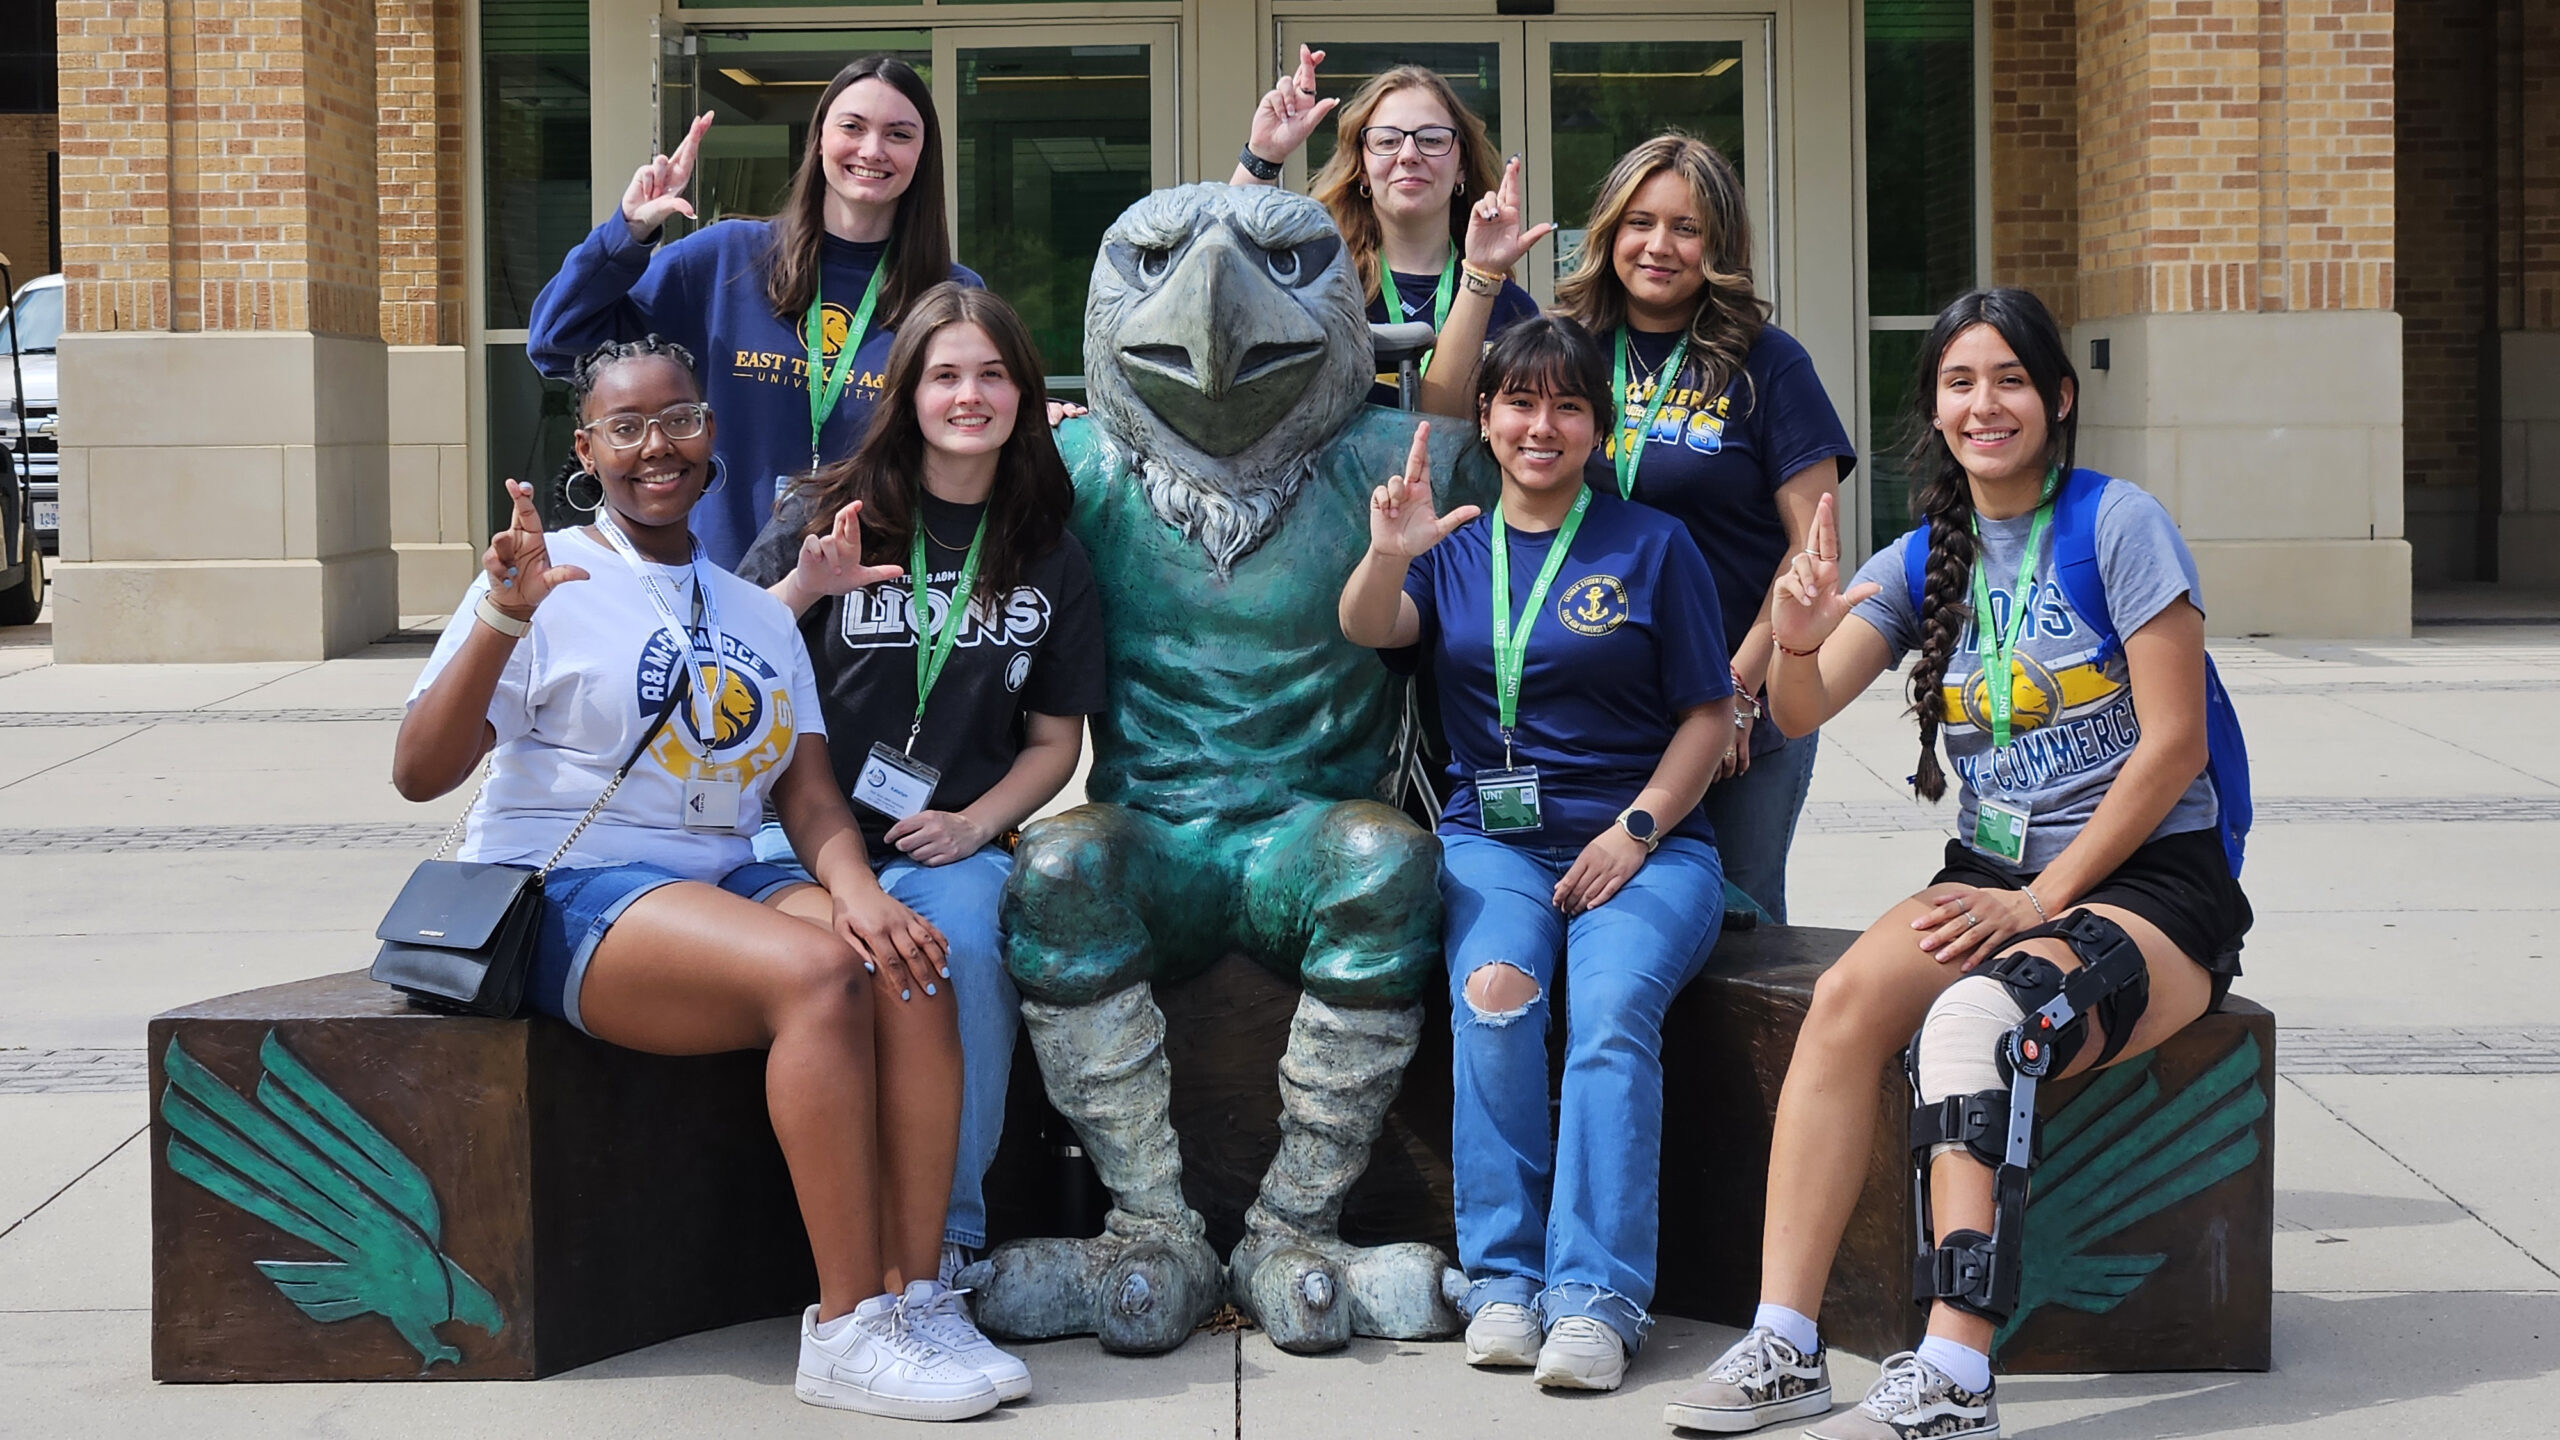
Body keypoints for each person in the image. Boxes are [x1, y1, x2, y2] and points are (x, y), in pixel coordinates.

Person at [1659, 287, 2251, 1439]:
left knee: (1977, 1026)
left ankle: (1953, 1370)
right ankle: (1785, 1341)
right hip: (1989, 875)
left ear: (2059, 399)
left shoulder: (2119, 524)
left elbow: (2173, 742)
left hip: (2149, 884)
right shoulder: (1923, 552)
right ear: (1933, 409)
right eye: (1960, 382)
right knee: (1841, 1007)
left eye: (2010, 380)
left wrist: (2038, 900)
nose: (1986, 404)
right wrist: (1790, 631)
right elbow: (1800, 704)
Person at [394, 336, 1019, 1420]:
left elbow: (810, 798)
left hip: (723, 877)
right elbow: (419, 772)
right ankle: (844, 1333)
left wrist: (863, 891)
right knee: (822, 975)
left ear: (710, 432)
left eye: (677, 419)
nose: (656, 448)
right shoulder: (548, 582)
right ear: (586, 448)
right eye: (626, 427)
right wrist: (502, 615)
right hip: (570, 885)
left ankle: (917, 1296)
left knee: (911, 957)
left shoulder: (756, 612)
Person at [1339, 316, 1734, 1393]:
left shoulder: (1653, 546)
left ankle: (1596, 1299)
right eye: (1520, 402)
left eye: (1567, 406)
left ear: (1597, 430)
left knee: (1609, 1021)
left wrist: (1638, 828)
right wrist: (1388, 551)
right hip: (1495, 843)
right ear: (1486, 417)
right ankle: (1504, 1280)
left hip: (1646, 847)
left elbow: (1709, 714)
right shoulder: (1454, 545)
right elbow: (1371, 628)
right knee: (1496, 993)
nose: (1541, 425)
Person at [737, 284, 1104, 1324]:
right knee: (849, 971)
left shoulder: (1047, 548)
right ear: (907, 393)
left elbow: (1053, 741)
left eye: (992, 375)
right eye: (945, 374)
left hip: (949, 841)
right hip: (790, 837)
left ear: (1026, 396)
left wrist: (976, 825)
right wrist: (806, 588)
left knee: (966, 956)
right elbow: (722, 663)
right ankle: (845, 1251)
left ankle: (942, 1247)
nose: (969, 395)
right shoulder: (826, 516)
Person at [1550, 133, 1855, 925]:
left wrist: (1737, 693)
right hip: (1597, 708)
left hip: (1737, 715)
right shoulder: (1567, 353)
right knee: (1602, 920)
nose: (1659, 246)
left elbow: (1810, 549)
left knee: (1742, 933)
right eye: (1638, 222)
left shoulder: (1768, 364)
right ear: (1608, 230)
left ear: (1718, 245)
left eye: (1686, 228)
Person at [527, 56, 979, 569]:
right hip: (722, 589)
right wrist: (626, 234)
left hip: (876, 599)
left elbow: (981, 429)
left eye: (899, 134)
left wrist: (1036, 409)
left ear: (923, 153)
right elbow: (558, 341)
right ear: (819, 139)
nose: (872, 150)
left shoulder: (950, 292)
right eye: (852, 127)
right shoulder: (724, 259)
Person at [1233, 47, 1546, 413]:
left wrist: (1483, 273)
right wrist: (1263, 155)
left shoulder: (1510, 306)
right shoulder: (1316, 282)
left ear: (1462, 166)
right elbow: (1228, 270)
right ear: (1362, 169)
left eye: (1431, 139)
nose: (1409, 154)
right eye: (1387, 140)